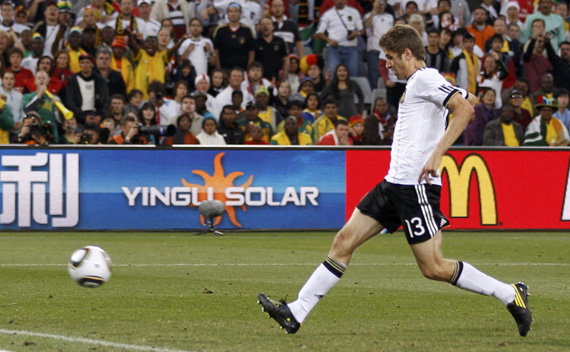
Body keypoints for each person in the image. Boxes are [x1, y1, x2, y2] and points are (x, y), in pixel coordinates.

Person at [257, 24, 532, 338]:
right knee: (343, 242)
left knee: (433, 268)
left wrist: (437, 152)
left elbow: (465, 109)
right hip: (394, 184)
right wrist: (464, 93)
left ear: (407, 53)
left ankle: (510, 294)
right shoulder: (426, 80)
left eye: (390, 57)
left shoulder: (424, 78)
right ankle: (296, 311)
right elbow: (467, 99)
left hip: (416, 189)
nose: (387, 65)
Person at [315, 0, 364, 76]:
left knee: (352, 74)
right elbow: (319, 32)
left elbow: (362, 30)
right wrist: (329, 40)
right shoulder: (328, 14)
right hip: (334, 49)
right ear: (334, 1)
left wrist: (356, 33)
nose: (340, 1)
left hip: (351, 47)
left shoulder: (354, 12)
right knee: (332, 73)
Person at [64, 53, 110, 125]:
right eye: (82, 63)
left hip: (96, 117)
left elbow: (106, 100)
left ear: (92, 65)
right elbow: (70, 102)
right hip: (78, 118)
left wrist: (100, 116)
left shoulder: (100, 81)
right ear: (80, 65)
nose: (85, 65)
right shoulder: (72, 80)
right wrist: (82, 117)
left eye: (88, 62)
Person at [212, 3, 255, 71]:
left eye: (236, 11)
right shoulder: (221, 30)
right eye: (231, 11)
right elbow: (216, 50)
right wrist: (219, 68)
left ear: (240, 13)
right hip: (225, 69)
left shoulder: (246, 30)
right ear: (227, 14)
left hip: (242, 69)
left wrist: (249, 69)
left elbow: (251, 51)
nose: (233, 14)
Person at [255, 17, 289, 82]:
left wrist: (284, 77)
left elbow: (286, 60)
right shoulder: (256, 42)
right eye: (263, 24)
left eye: (268, 24)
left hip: (276, 77)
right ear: (259, 27)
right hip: (260, 78)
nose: (265, 26)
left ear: (273, 27)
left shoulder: (280, 41)